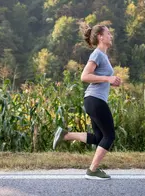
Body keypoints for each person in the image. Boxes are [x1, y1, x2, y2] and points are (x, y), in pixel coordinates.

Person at [53, 23, 121, 180]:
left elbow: (100, 78)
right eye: (108, 33)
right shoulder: (97, 54)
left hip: (94, 99)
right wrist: (107, 78)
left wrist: (111, 81)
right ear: (100, 37)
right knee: (109, 136)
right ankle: (92, 170)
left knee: (99, 138)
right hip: (95, 99)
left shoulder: (103, 56)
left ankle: (65, 135)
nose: (111, 36)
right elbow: (84, 76)